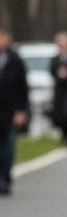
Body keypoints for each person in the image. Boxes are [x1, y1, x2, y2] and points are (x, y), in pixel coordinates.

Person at [0, 28, 29, 195]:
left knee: (9, 148)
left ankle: (6, 178)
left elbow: (22, 87)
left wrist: (21, 111)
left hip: (11, 112)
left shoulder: (15, 60)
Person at [49, 31, 67, 146]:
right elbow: (51, 70)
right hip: (59, 90)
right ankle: (62, 136)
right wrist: (58, 74)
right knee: (59, 115)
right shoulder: (55, 58)